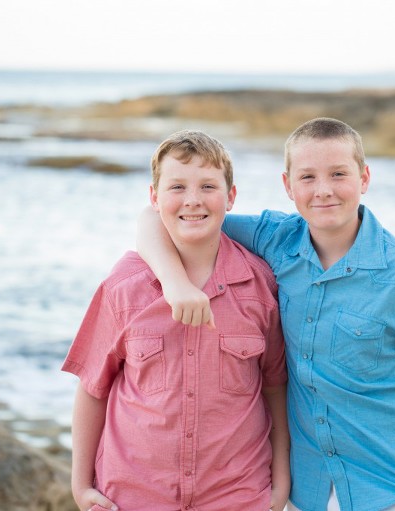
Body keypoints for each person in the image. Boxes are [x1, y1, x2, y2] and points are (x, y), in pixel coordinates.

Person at [136, 118, 395, 511]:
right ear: (288, 186)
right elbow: (158, 217)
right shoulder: (276, 239)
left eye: (338, 174)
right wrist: (175, 285)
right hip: (309, 493)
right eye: (307, 177)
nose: (323, 190)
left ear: (364, 178)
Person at [63, 130, 290, 511]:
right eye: (177, 187)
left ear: (231, 197)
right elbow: (92, 388)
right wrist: (80, 486)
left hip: (236, 494)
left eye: (208, 186)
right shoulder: (124, 287)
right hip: (134, 494)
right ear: (154, 198)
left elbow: (274, 388)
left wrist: (280, 484)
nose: (193, 200)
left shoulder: (260, 286)